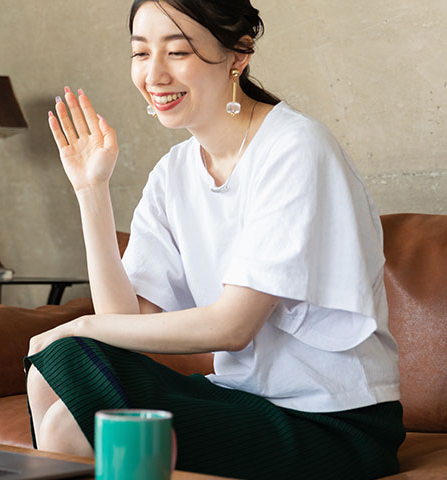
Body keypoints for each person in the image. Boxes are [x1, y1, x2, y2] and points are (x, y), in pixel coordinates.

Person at [24, 1, 405, 478]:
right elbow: (123, 325)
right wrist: (91, 190)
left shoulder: (295, 148)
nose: (154, 74)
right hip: (246, 401)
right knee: (57, 364)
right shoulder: (173, 172)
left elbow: (233, 326)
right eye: (140, 54)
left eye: (178, 52)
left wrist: (79, 326)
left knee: (71, 422)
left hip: (336, 423)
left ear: (238, 56)